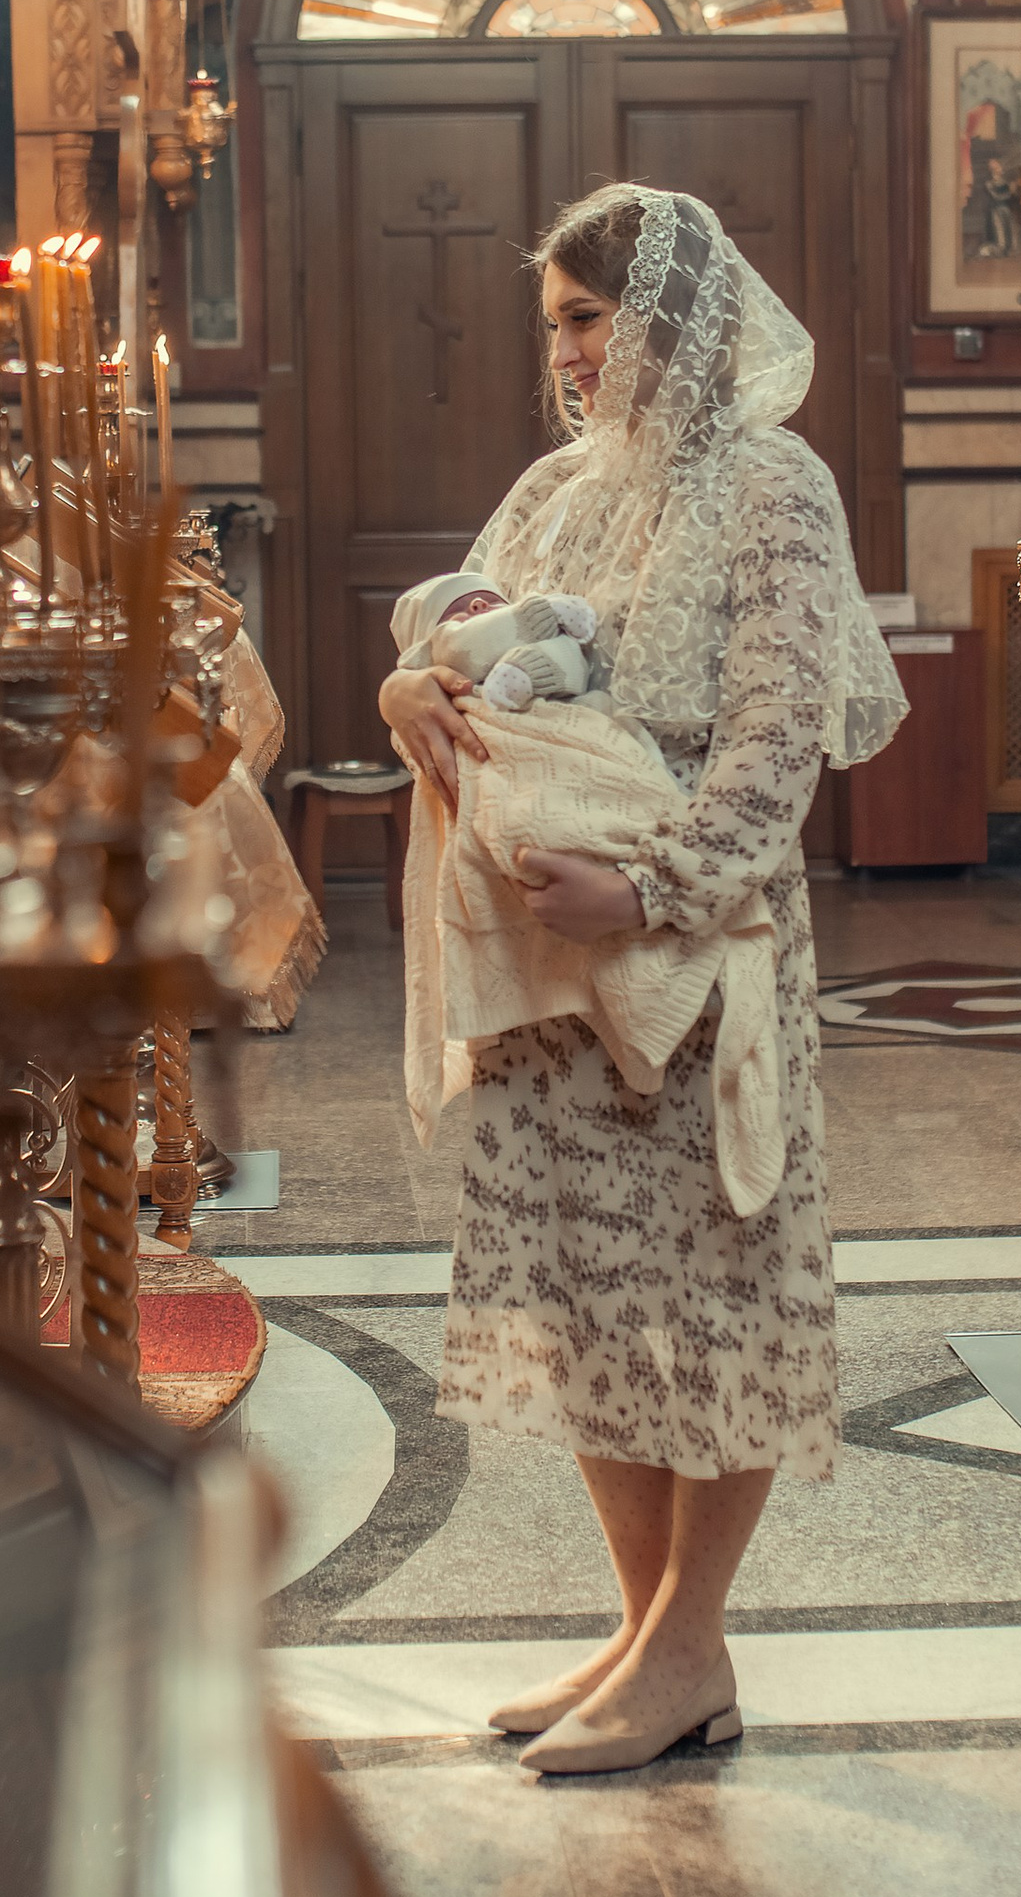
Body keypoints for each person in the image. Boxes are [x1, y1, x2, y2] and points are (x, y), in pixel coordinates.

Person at [379, 187, 906, 1778]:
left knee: (712, 1293)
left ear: (669, 318)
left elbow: (775, 736)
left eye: (585, 319)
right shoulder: (549, 496)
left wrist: (652, 886)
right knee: (591, 1288)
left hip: (698, 943)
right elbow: (464, 642)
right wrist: (411, 687)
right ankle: (648, 1633)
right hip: (554, 963)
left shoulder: (773, 487)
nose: (565, 352)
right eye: (555, 322)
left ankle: (691, 1641)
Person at [391, 573, 598, 712]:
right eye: (454, 612)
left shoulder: (546, 641)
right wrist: (542, 612)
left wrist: (526, 668)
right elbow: (463, 645)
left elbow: (572, 664)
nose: (478, 604)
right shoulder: (442, 653)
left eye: (493, 601)